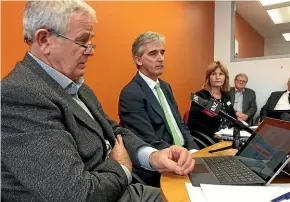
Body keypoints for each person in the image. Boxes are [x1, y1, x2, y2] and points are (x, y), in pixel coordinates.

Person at [1, 1, 195, 202]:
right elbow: (76, 194)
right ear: (44, 40)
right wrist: (121, 168)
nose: (90, 51)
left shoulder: (76, 86)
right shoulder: (19, 95)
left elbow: (112, 130)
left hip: (118, 189)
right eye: (82, 41)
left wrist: (153, 156)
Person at [118, 31, 198, 186]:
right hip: (161, 168)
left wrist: (193, 151)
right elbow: (148, 140)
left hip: (184, 157)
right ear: (138, 59)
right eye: (153, 54)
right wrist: (182, 157)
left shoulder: (165, 87)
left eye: (162, 52)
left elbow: (180, 125)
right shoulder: (131, 93)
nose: (161, 58)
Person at [188, 61, 236, 146]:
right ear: (208, 77)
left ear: (225, 77)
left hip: (228, 137)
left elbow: (231, 115)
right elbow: (194, 123)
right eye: (213, 74)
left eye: (221, 74)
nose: (218, 77)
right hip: (209, 138)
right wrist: (216, 134)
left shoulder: (227, 95)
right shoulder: (200, 96)